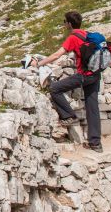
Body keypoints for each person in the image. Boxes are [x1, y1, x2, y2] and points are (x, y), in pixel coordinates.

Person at [32, 11, 102, 152]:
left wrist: (39, 64)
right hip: (96, 74)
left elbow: (57, 54)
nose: (64, 24)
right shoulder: (88, 35)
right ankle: (96, 144)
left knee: (55, 88)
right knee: (92, 108)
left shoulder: (73, 37)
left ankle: (68, 115)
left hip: (84, 75)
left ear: (69, 24)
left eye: (65, 21)